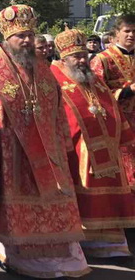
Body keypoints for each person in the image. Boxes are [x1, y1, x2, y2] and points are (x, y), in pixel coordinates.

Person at [0, 4, 89, 278]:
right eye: (19, 36)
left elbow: (58, 107)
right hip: (11, 154)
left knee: (53, 201)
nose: (25, 40)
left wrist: (63, 142)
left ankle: (59, 254)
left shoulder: (43, 67)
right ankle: (15, 252)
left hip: (48, 152)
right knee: (14, 205)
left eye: (29, 34)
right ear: (7, 39)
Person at [51, 28, 135, 258]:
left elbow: (111, 106)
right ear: (63, 58)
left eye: (83, 55)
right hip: (77, 148)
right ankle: (84, 242)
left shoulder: (93, 78)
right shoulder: (53, 77)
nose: (81, 60)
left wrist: (122, 136)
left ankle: (110, 245)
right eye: (76, 57)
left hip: (105, 145)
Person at [92, 14, 135, 192]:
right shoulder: (102, 59)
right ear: (116, 34)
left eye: (134, 31)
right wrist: (126, 91)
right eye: (127, 31)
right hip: (117, 123)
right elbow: (94, 94)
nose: (131, 35)